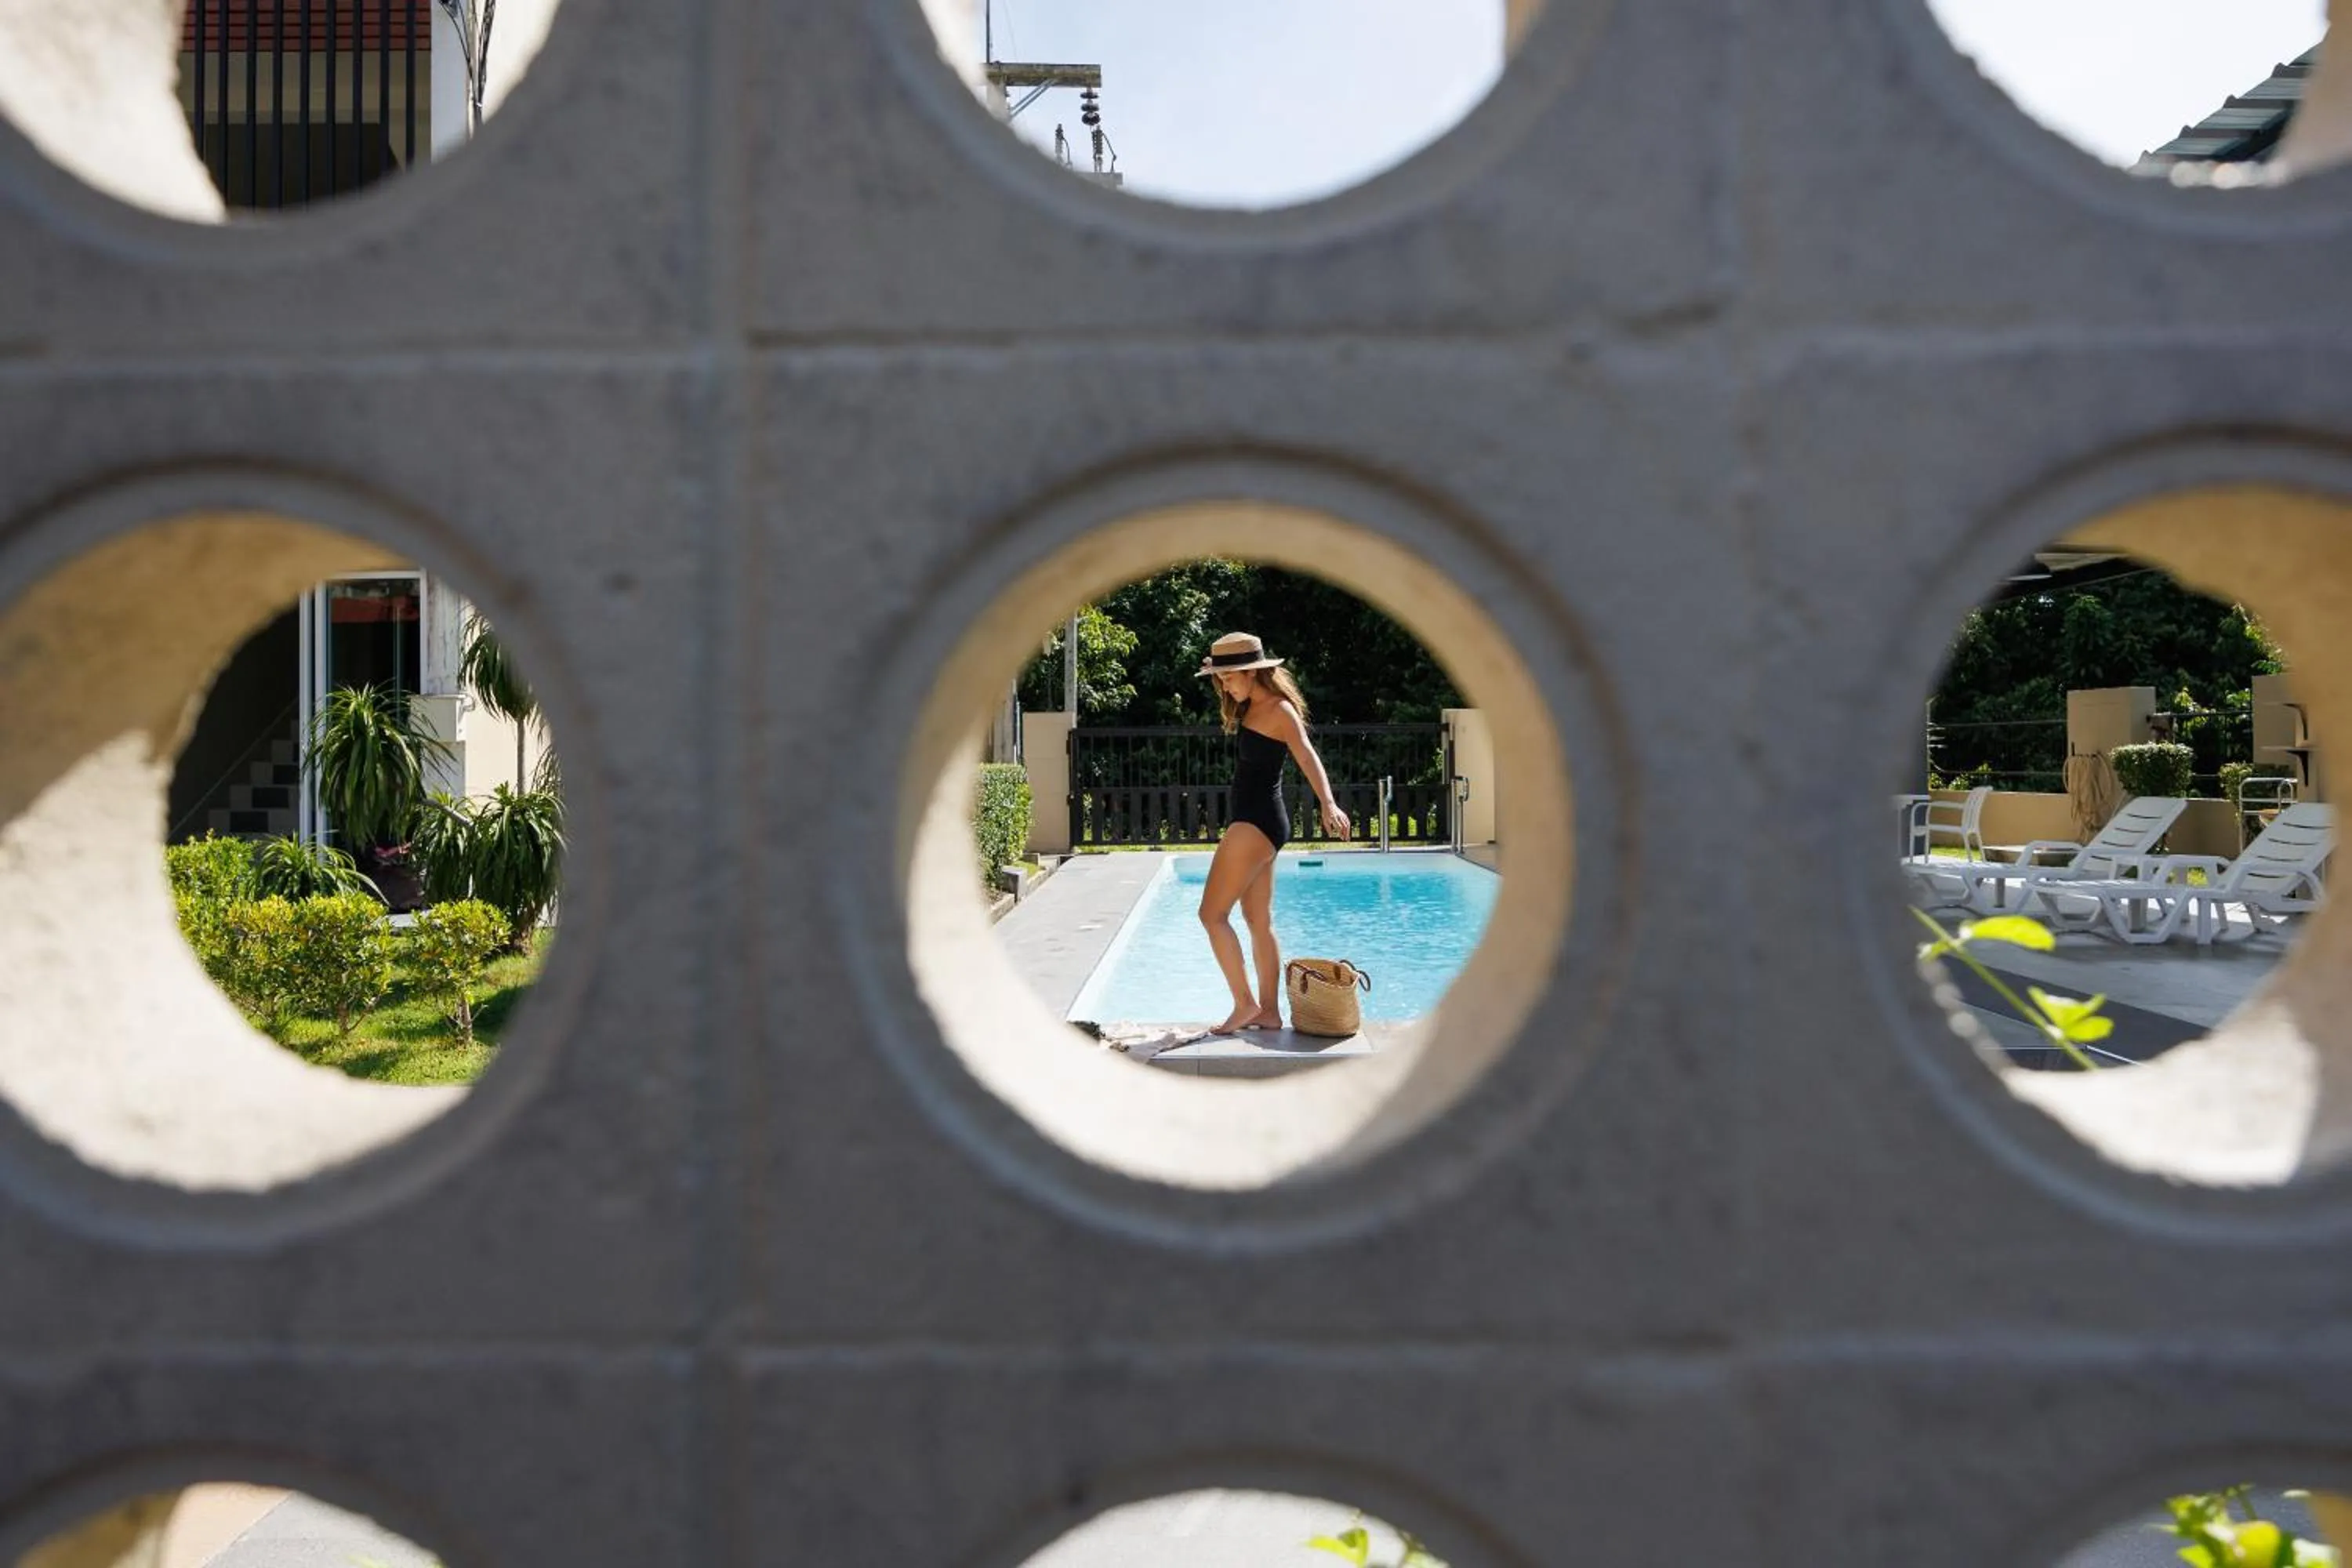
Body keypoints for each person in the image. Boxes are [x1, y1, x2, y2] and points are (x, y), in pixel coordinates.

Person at [1195, 631, 1351, 1034]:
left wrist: (1329, 803)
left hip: (1254, 822)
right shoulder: (1250, 709)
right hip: (1261, 821)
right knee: (1257, 919)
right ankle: (1269, 1011)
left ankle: (1244, 1003)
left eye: (1228, 677)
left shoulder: (1280, 710)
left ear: (1251, 672)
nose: (1224, 685)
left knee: (1211, 915)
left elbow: (1306, 754)